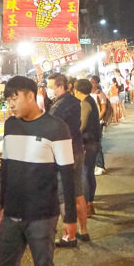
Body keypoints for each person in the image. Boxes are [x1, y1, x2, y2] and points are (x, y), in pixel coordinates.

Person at [0, 76, 76, 266]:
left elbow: (67, 175)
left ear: (31, 95)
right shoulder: (10, 125)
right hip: (11, 214)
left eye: (14, 98)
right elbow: (6, 169)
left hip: (42, 215)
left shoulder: (56, 127)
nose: (11, 105)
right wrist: (2, 208)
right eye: (8, 100)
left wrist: (70, 217)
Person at [47, 72, 87, 247]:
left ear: (61, 87)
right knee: (78, 193)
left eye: (51, 88)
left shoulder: (59, 107)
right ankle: (83, 231)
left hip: (66, 154)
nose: (49, 91)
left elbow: (49, 128)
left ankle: (69, 236)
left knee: (64, 195)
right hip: (78, 150)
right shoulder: (74, 102)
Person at [74, 79, 103, 220]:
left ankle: (87, 203)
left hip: (88, 142)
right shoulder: (90, 100)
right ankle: (90, 202)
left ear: (77, 90)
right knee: (89, 172)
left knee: (85, 172)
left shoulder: (85, 103)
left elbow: (81, 124)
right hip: (93, 140)